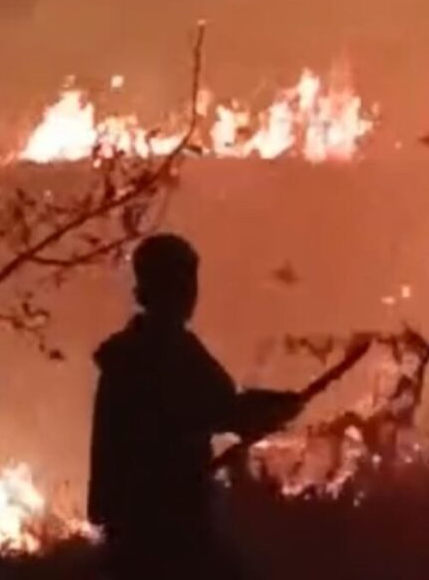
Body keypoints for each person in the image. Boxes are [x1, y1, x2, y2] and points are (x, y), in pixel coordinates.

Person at [88, 233, 302, 579]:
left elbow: (218, 409)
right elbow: (224, 410)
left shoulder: (127, 355)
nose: (190, 291)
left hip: (133, 527)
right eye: (182, 279)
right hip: (170, 525)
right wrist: (274, 409)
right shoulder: (166, 352)